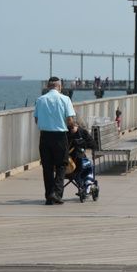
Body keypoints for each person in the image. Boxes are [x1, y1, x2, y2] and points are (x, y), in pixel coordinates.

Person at [34, 76, 76, 205]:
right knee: (61, 165)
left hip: (45, 136)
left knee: (47, 167)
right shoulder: (65, 99)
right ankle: (56, 194)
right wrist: (73, 127)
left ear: (48, 86)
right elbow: (69, 120)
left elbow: (36, 120)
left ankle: (48, 195)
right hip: (60, 136)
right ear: (59, 86)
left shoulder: (40, 100)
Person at [65, 117, 97, 199]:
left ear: (77, 125)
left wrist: (81, 143)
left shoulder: (82, 132)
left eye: (73, 126)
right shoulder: (66, 133)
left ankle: (86, 184)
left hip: (78, 160)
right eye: (70, 127)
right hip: (70, 162)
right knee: (84, 164)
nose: (72, 128)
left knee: (85, 163)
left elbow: (93, 144)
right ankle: (85, 185)